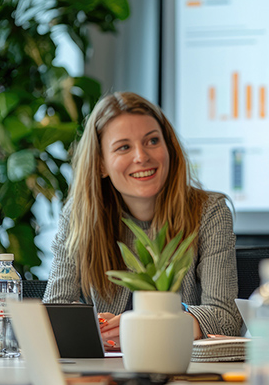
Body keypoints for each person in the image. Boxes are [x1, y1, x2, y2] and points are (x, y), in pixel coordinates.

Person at [44, 92, 240, 347]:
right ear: (101, 164)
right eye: (124, 147)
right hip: (104, 371)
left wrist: (142, 325)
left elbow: (225, 320)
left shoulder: (209, 212)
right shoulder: (79, 215)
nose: (141, 156)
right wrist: (94, 327)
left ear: (168, 147)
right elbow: (53, 312)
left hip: (181, 369)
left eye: (152, 141)